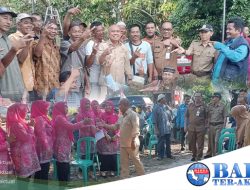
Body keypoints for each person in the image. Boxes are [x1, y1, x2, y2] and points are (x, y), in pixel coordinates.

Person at [102, 98, 145, 178]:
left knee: (136, 162)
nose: (119, 107)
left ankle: (142, 177)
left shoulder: (133, 115)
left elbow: (136, 128)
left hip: (132, 143)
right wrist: (105, 125)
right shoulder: (122, 116)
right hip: (123, 144)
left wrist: (133, 140)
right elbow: (115, 127)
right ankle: (124, 179)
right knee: (124, 164)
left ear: (125, 105)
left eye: (120, 105)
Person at [52, 101, 88, 185]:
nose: (67, 108)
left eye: (67, 106)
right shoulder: (59, 118)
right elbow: (71, 127)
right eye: (65, 106)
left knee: (65, 164)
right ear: (60, 108)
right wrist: (83, 122)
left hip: (65, 144)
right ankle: (63, 184)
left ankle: (65, 182)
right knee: (63, 166)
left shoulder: (62, 117)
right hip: (61, 145)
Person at [7, 103, 41, 189]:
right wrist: (31, 127)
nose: (26, 112)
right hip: (21, 156)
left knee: (26, 178)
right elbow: (26, 138)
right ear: (19, 111)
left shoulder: (21, 122)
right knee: (24, 179)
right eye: (24, 110)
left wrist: (28, 125)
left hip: (25, 155)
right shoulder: (16, 124)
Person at [212, 17, 250, 87]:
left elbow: (235, 57)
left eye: (230, 29)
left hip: (231, 86)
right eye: (227, 29)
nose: (227, 31)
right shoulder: (228, 42)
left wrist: (221, 46)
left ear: (238, 30)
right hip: (218, 82)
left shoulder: (243, 45)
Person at [97, 24, 132, 98]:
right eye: (113, 31)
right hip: (106, 85)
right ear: (109, 34)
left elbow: (127, 65)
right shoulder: (103, 46)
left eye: (118, 31)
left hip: (120, 85)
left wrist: (130, 78)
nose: (115, 33)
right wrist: (104, 53)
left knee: (119, 106)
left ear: (121, 34)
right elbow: (99, 62)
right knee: (105, 106)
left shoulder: (124, 47)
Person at [0, 7, 26, 101]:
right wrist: (14, 50)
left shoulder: (6, 38)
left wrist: (22, 89)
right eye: (5, 18)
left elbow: (14, 66)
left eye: (11, 19)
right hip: (4, 97)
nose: (8, 22)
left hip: (17, 94)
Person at [60, 21, 91, 100]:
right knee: (68, 103)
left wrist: (87, 84)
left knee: (79, 105)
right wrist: (83, 38)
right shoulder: (64, 43)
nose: (77, 34)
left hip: (80, 80)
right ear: (69, 33)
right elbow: (72, 48)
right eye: (75, 32)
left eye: (79, 32)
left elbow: (84, 67)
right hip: (69, 80)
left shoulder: (83, 45)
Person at [9, 13, 36, 101]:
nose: (29, 25)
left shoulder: (31, 38)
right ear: (18, 25)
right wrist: (27, 43)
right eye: (26, 23)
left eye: (31, 23)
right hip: (19, 85)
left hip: (31, 84)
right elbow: (20, 60)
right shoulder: (13, 37)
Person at [33, 19, 61, 99]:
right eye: (50, 28)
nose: (53, 31)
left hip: (55, 86)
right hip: (41, 86)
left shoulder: (56, 47)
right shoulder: (36, 42)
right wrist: (42, 36)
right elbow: (37, 54)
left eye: (55, 29)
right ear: (43, 29)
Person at [30, 100, 53, 183]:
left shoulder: (43, 117)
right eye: (46, 108)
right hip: (43, 148)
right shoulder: (39, 119)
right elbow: (42, 135)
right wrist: (48, 148)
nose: (47, 109)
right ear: (40, 108)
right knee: (43, 171)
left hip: (44, 147)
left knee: (40, 171)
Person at [97, 101, 119, 177]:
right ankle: (104, 170)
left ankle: (112, 170)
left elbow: (119, 127)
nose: (108, 107)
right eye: (106, 106)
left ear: (112, 106)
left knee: (113, 154)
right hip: (104, 137)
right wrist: (106, 135)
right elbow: (100, 126)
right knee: (105, 155)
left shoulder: (116, 116)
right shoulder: (101, 115)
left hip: (114, 137)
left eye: (109, 105)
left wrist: (116, 135)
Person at [85, 21, 104, 101]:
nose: (101, 32)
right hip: (93, 80)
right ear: (93, 32)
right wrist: (94, 53)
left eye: (102, 30)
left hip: (103, 81)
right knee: (93, 103)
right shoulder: (90, 44)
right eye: (98, 31)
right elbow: (88, 64)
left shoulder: (104, 43)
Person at [185, 92, 207, 161]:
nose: (197, 98)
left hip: (200, 128)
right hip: (191, 128)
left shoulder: (204, 106)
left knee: (200, 143)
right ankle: (194, 155)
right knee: (192, 142)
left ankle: (199, 156)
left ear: (201, 98)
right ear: (194, 97)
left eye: (198, 96)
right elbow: (186, 116)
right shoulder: (190, 105)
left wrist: (206, 126)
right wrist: (185, 125)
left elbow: (207, 117)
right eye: (196, 96)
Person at [204, 93, 227, 158]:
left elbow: (225, 117)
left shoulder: (223, 106)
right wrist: (207, 125)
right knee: (211, 141)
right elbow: (208, 116)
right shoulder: (210, 106)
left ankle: (216, 154)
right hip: (211, 125)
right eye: (213, 97)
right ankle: (212, 154)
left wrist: (224, 127)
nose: (213, 98)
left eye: (215, 97)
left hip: (219, 125)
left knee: (216, 141)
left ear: (218, 98)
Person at [153, 94, 172, 160]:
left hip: (167, 128)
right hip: (161, 129)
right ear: (161, 99)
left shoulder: (165, 107)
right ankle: (160, 156)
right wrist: (156, 129)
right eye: (164, 98)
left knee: (168, 142)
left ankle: (169, 155)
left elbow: (169, 116)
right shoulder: (156, 108)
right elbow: (154, 120)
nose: (165, 99)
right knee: (161, 142)